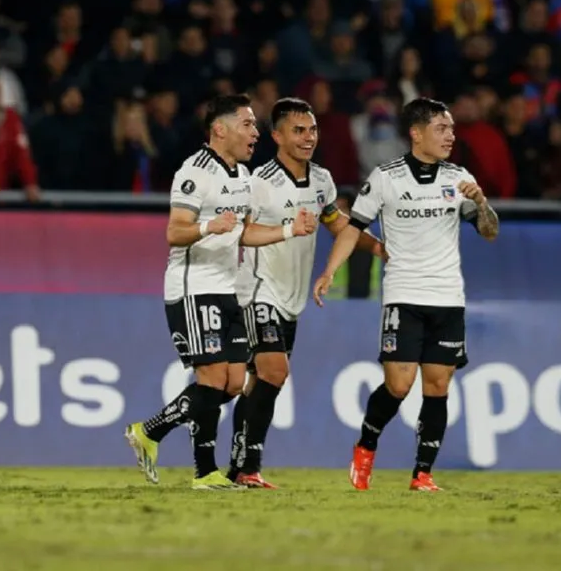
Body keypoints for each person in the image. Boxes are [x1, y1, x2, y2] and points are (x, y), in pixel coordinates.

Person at [124, 94, 316, 490]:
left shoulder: (244, 178)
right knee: (212, 378)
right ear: (219, 129)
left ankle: (154, 435)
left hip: (230, 289)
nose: (255, 132)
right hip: (194, 287)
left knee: (232, 383)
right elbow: (174, 232)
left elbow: (244, 231)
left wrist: (287, 231)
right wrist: (207, 227)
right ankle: (200, 469)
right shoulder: (194, 172)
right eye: (247, 124)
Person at [313, 97, 500, 492]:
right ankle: (365, 448)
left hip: (448, 296)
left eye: (451, 129)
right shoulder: (386, 177)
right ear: (416, 134)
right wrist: (330, 270)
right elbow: (353, 227)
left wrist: (481, 202)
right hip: (404, 294)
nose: (450, 135)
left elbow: (489, 232)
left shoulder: (459, 177)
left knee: (437, 386)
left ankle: (423, 474)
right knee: (398, 385)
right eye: (441, 128)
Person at [229, 98, 386, 488]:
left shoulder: (321, 181)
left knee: (257, 382)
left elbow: (337, 223)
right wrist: (283, 231)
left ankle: (237, 466)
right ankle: (251, 468)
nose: (308, 137)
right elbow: (241, 232)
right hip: (258, 290)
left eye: (312, 130)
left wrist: (378, 247)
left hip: (292, 297)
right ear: (277, 135)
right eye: (298, 130)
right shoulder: (258, 182)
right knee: (275, 372)